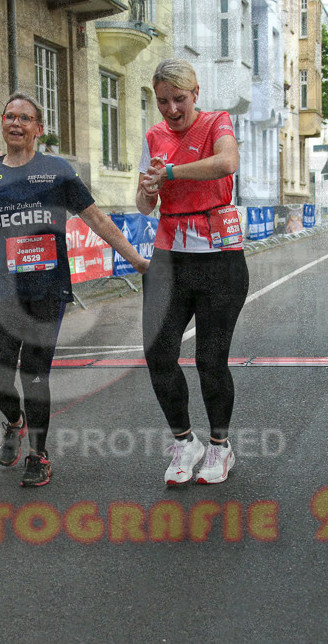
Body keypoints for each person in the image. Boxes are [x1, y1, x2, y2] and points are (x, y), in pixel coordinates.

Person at [0, 92, 149, 488]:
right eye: (10, 116)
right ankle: (14, 422)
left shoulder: (57, 170)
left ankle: (39, 455)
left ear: (38, 129)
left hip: (47, 289)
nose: (16, 123)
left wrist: (140, 262)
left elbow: (96, 219)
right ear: (2, 122)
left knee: (35, 375)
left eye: (25, 118)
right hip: (3, 291)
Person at [136, 58, 249, 486]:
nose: (171, 110)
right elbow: (144, 205)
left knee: (209, 359)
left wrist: (169, 173)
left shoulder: (217, 122)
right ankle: (185, 442)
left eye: (179, 99)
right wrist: (149, 188)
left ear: (195, 94)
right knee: (157, 352)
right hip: (169, 259)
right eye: (163, 101)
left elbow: (226, 164)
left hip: (219, 257)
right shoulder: (154, 136)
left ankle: (220, 446)